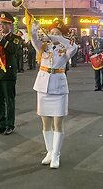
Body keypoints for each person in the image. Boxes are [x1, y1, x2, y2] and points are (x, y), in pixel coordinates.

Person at [30, 19, 77, 169]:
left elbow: (74, 46)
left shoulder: (66, 48)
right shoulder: (44, 47)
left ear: (62, 35)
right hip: (43, 86)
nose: (52, 35)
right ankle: (49, 152)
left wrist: (58, 38)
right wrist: (33, 29)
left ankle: (56, 154)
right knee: (46, 123)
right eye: (51, 32)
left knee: (58, 122)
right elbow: (34, 40)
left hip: (59, 87)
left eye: (56, 33)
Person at [0, 12, 22, 135]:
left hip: (8, 73)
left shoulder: (15, 38)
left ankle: (10, 125)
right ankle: (0, 124)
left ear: (10, 25)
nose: (1, 26)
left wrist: (2, 39)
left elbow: (13, 50)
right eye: (0, 24)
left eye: (4, 24)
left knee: (9, 101)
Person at [91, 25, 103, 91]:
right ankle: (97, 86)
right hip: (96, 57)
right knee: (96, 72)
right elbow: (92, 48)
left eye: (102, 31)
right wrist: (91, 52)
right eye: (99, 31)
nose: (100, 32)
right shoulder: (94, 39)